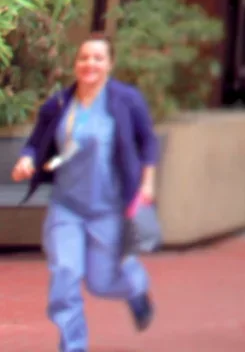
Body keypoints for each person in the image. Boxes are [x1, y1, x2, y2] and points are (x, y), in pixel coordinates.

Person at [10, 34, 157, 352]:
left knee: (101, 283)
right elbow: (36, 143)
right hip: (67, 208)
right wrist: (26, 159)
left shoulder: (125, 100)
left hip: (109, 208)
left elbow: (148, 142)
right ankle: (73, 346)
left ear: (110, 64)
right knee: (64, 274)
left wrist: (147, 182)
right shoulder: (59, 105)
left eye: (98, 58)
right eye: (84, 58)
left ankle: (135, 288)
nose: (90, 63)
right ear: (75, 64)